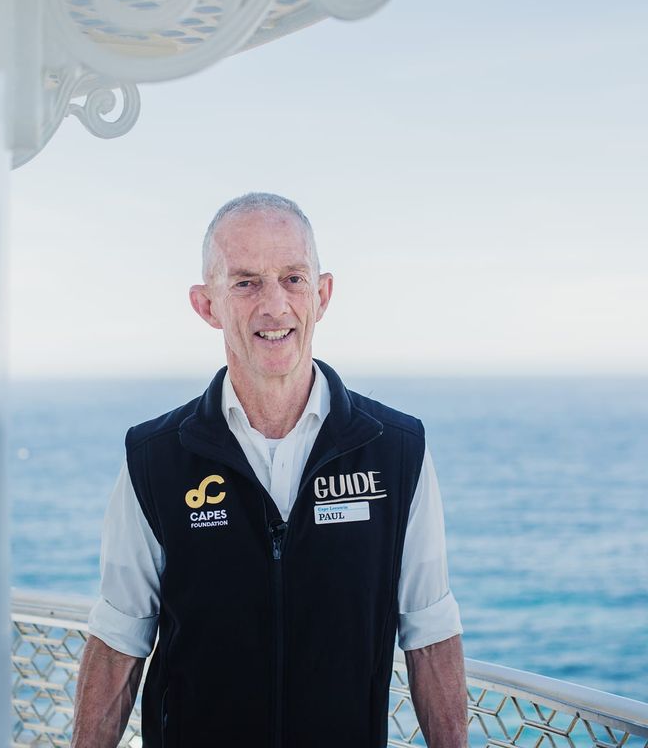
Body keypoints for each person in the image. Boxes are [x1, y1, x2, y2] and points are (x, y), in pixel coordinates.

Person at [72, 193, 468, 748]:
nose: (274, 305)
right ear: (207, 304)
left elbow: (430, 632)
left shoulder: (397, 453)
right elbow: (119, 639)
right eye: (246, 282)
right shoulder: (154, 459)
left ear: (322, 294)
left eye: (293, 278)